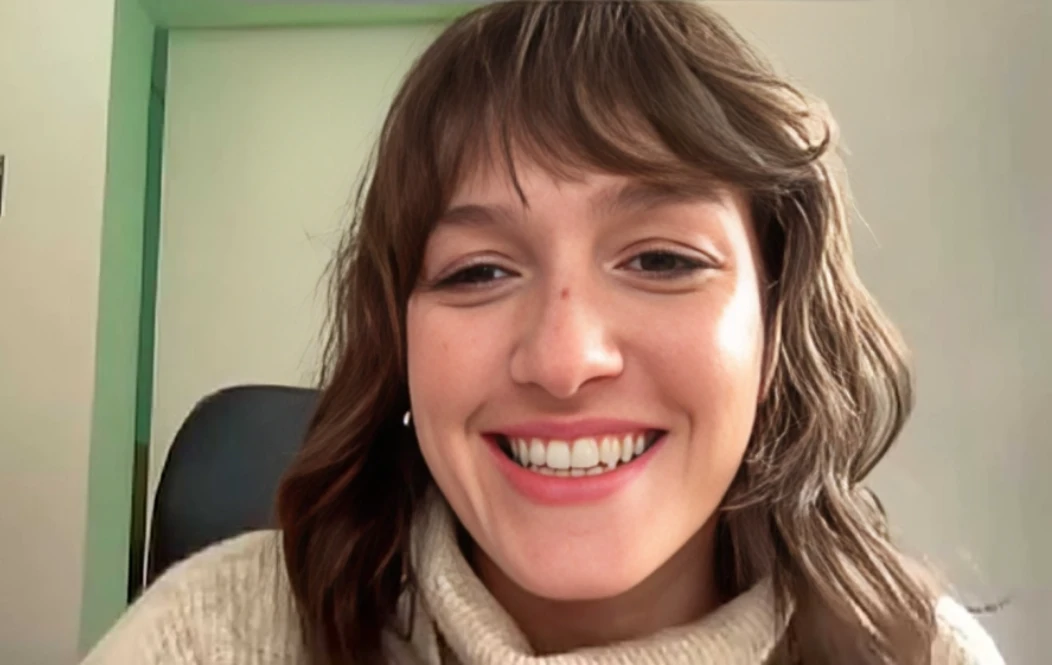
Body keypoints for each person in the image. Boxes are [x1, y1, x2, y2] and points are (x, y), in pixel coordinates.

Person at [83, 2, 1006, 664]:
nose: (565, 361)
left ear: (775, 319)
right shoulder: (205, 638)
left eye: (662, 259)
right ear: (398, 346)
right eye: (478, 272)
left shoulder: (922, 652)